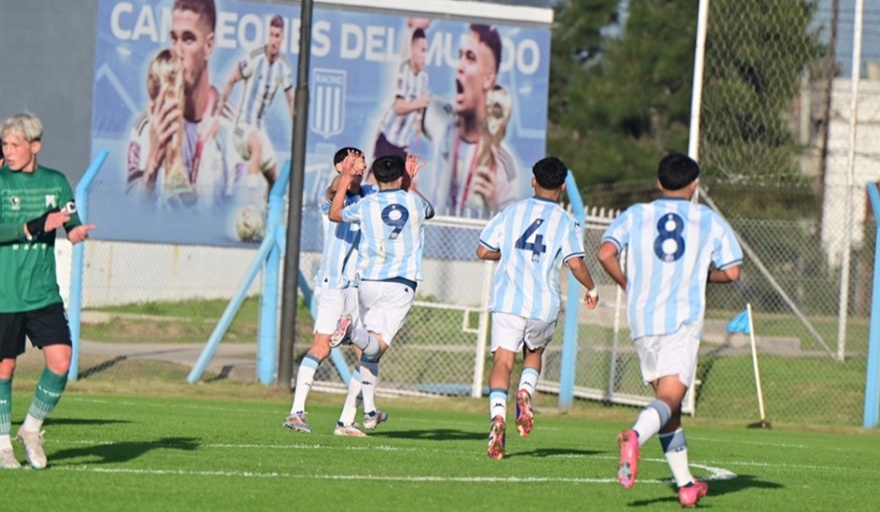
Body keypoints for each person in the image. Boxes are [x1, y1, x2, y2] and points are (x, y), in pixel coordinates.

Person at [596, 152, 743, 507]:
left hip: (643, 320)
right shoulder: (706, 219)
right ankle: (633, 436)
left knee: (668, 409)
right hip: (682, 320)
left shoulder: (636, 214)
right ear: (694, 186)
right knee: (669, 400)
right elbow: (732, 271)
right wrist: (701, 275)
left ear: (659, 183)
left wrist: (626, 283)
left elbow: (604, 254)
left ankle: (686, 484)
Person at [476, 156, 599, 460]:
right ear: (563, 186)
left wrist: (508, 255)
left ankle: (498, 416)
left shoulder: (511, 212)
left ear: (533, 180)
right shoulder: (566, 221)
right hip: (543, 304)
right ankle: (525, 392)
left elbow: (482, 250)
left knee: (502, 361)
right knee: (534, 353)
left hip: (508, 301)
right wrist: (591, 287)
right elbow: (575, 263)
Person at [0, 113, 96, 469]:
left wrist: (74, 232)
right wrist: (37, 224)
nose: (8, 151)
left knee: (61, 360)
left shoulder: (55, 182)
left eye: (15, 144)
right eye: (5, 144)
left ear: (35, 145)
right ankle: (2, 445)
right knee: (4, 367)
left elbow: (70, 220)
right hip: (5, 293)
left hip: (43, 292)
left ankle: (31, 429)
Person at [282, 147, 387, 436]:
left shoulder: (369, 194)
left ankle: (349, 419)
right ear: (340, 165)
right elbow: (333, 189)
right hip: (334, 284)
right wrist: (345, 176)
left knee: (368, 352)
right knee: (322, 346)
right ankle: (296, 412)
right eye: (353, 160)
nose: (360, 165)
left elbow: (389, 191)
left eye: (362, 161)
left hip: (358, 285)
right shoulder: (332, 194)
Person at [328, 154, 434, 435]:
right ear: (401, 177)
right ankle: (351, 333)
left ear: (374, 177)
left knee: (370, 354)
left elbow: (335, 214)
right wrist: (410, 184)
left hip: (368, 283)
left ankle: (353, 417)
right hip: (400, 284)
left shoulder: (367, 204)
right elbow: (430, 210)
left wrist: (345, 180)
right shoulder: (414, 201)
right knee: (375, 348)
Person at [126, 0, 231, 214]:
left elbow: (240, 211)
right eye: (174, 39)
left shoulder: (229, 129)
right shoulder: (147, 126)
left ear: (209, 46)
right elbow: (130, 216)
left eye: (188, 39)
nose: (177, 52)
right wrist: (152, 165)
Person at [424, 24, 518, 217]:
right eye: (460, 56)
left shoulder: (502, 161)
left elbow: (512, 224)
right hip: (434, 235)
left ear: (488, 79)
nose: (460, 66)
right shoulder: (441, 121)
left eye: (470, 58)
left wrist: (493, 204)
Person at [217, 14, 294, 188]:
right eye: (271, 35)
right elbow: (231, 79)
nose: (273, 41)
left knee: (274, 177)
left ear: (282, 38)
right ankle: (250, 196)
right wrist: (218, 113)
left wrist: (296, 126)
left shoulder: (283, 66)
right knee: (257, 145)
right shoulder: (255, 57)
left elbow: (291, 98)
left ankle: (270, 204)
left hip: (259, 128)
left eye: (277, 36)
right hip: (242, 127)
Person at [371, 27, 430, 161]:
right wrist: (420, 103)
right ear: (413, 50)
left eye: (426, 51)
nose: (425, 56)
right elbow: (399, 107)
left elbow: (420, 106)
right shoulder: (404, 70)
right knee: (376, 174)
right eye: (422, 50)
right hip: (388, 138)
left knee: (405, 174)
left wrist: (419, 122)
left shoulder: (424, 78)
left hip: (403, 144)